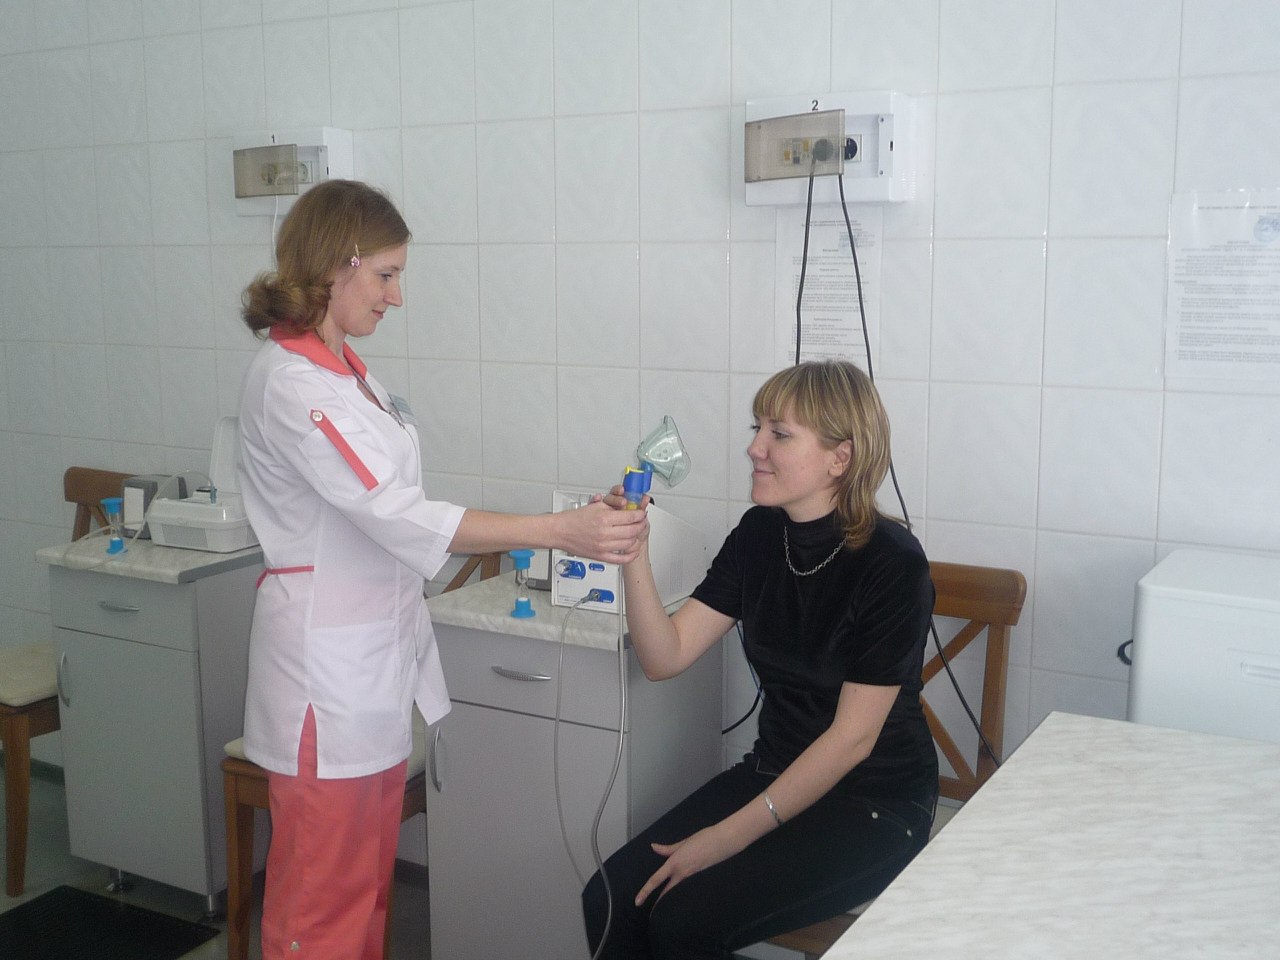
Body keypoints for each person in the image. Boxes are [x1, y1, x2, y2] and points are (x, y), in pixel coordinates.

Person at [236, 179, 648, 960]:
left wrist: (563, 527)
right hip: (326, 679)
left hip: (371, 665)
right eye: (386, 275)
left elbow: (397, 509)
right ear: (337, 263)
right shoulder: (294, 383)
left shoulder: (348, 372)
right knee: (319, 911)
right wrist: (559, 530)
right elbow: (396, 514)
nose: (396, 296)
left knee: (365, 895)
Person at [582, 360, 937, 960]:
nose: (755, 448)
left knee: (682, 924)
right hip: (774, 771)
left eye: (780, 434)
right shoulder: (758, 535)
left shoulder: (893, 563)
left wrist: (723, 838)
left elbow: (851, 740)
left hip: (875, 801)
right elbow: (665, 656)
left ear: (841, 458)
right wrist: (634, 551)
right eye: (758, 428)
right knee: (611, 900)